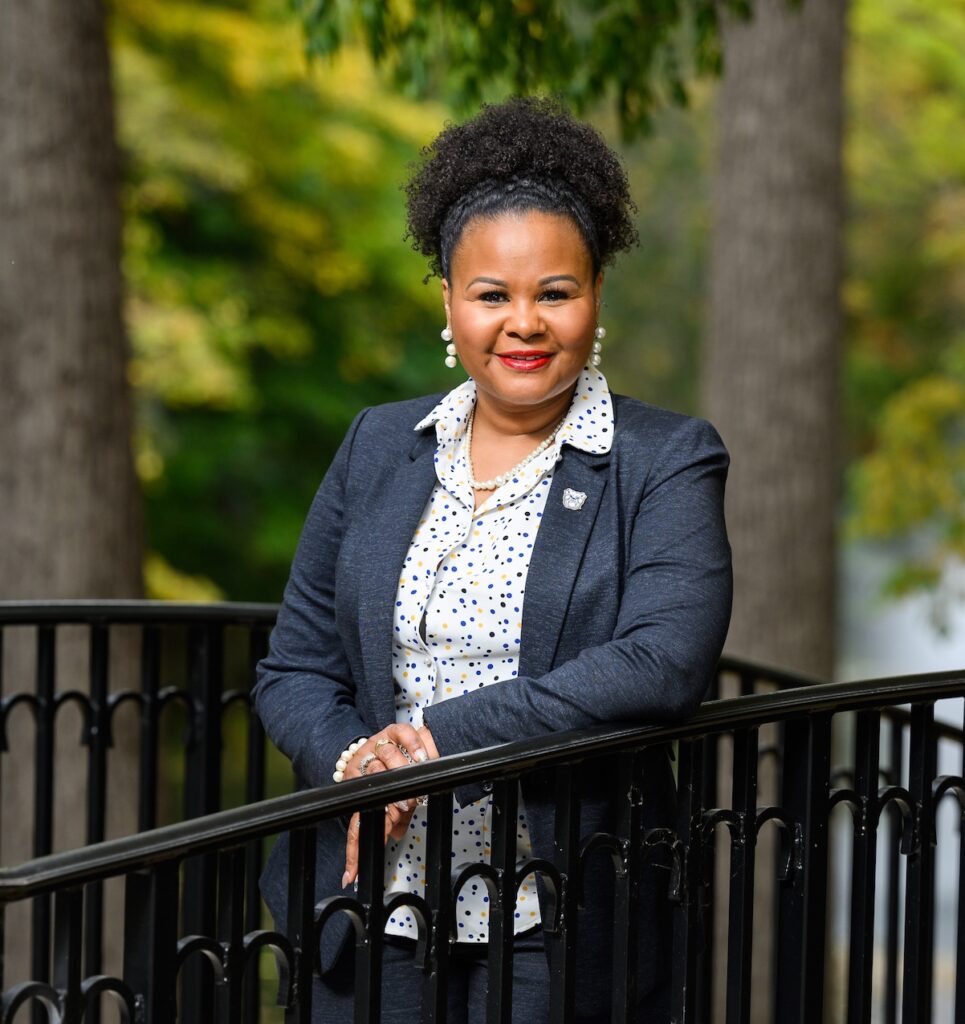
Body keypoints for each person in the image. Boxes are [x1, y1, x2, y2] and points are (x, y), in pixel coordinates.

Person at [253, 95, 732, 1023]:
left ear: (595, 296)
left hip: (559, 905)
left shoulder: (665, 458)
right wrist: (356, 762)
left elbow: (660, 661)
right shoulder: (378, 444)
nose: (523, 323)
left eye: (554, 292)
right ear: (446, 299)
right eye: (491, 295)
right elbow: (294, 666)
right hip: (374, 892)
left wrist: (432, 744)